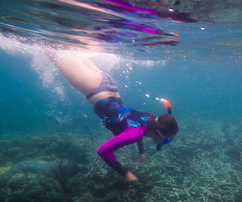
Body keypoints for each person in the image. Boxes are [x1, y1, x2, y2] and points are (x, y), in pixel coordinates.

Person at [48, 50, 179, 182]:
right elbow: (103, 151)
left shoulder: (147, 119)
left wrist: (141, 153)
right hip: (93, 86)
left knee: (66, 50)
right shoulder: (136, 133)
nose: (165, 142)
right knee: (53, 50)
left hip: (107, 82)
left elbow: (138, 132)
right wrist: (126, 174)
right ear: (157, 133)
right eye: (167, 138)